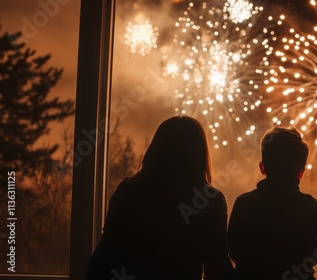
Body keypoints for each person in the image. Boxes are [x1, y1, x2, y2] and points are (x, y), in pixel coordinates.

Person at [86, 116, 232, 280]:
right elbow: (217, 267)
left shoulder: (129, 191)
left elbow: (104, 256)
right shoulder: (210, 200)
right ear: (199, 152)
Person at [228, 127, 317, 280]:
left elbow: (234, 250)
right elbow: (316, 253)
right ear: (301, 172)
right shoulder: (313, 207)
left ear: (262, 168)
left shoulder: (244, 203)